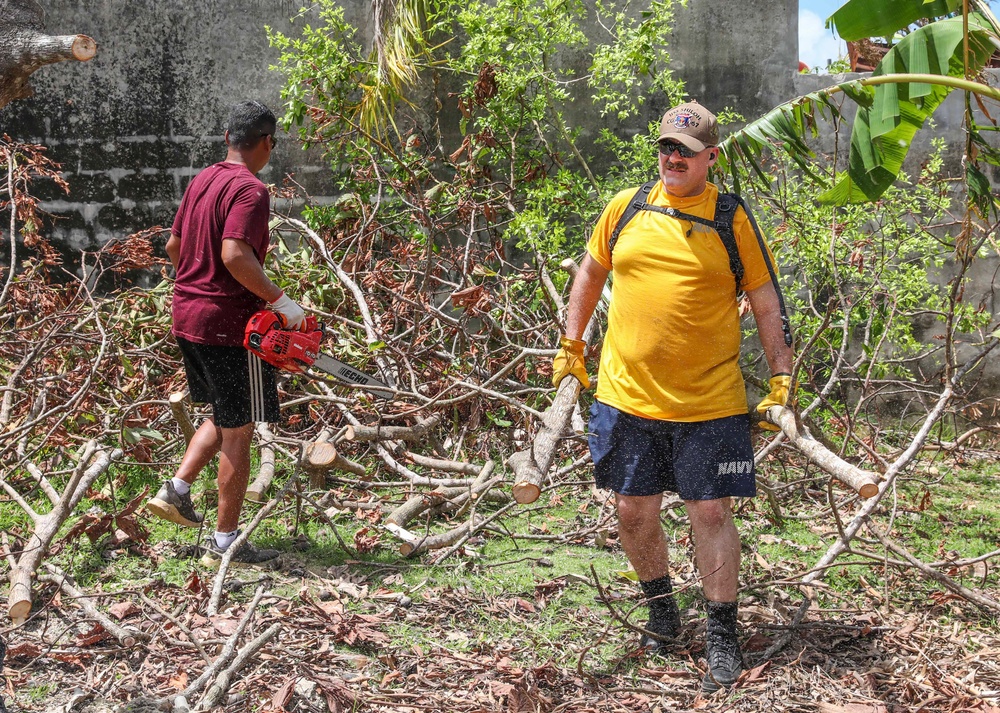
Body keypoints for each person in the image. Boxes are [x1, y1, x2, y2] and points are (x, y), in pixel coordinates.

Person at [552, 101, 793, 693]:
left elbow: (765, 301)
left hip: (709, 402)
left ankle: (721, 632)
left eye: (685, 150)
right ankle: (661, 608)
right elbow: (588, 276)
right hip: (626, 397)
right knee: (633, 511)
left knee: (710, 511)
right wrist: (570, 346)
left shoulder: (731, 218)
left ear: (711, 156)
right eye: (665, 147)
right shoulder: (626, 207)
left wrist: (782, 378)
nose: (672, 157)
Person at [146, 100, 308, 567]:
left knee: (223, 410)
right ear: (266, 143)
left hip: (187, 316)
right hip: (227, 327)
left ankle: (176, 489)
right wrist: (280, 301)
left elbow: (175, 246)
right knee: (240, 429)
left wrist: (199, 286)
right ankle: (225, 543)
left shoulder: (202, 179)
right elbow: (236, 254)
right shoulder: (250, 190)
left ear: (226, 138)